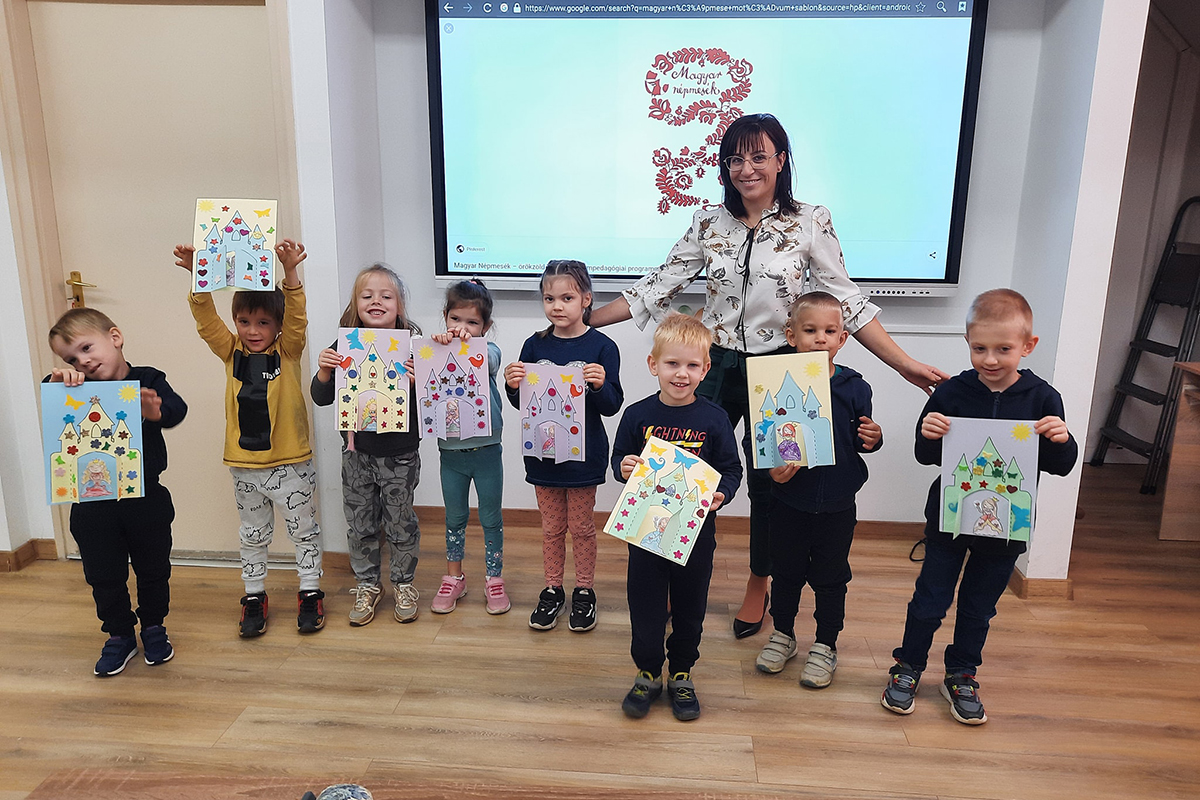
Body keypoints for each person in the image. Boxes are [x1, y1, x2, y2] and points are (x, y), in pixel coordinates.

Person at [590, 113, 948, 638]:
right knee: (683, 466)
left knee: (771, 482)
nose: (747, 169)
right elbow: (658, 285)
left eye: (759, 157)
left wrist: (905, 364)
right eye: (735, 159)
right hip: (712, 362)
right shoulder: (708, 222)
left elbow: (846, 299)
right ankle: (669, 568)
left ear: (781, 161)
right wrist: (584, 321)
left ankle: (760, 578)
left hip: (781, 366)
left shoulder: (810, 221)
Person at [880, 288, 1078, 725]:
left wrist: (1062, 440)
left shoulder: (1043, 398)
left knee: (979, 607)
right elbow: (926, 456)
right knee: (929, 600)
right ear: (967, 342)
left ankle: (962, 674)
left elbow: (1060, 466)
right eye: (979, 348)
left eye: (1003, 349)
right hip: (948, 521)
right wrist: (928, 432)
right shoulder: (951, 392)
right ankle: (908, 665)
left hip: (1005, 528)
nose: (990, 359)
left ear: (1028, 346)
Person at [174, 239, 325, 637]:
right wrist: (197, 274)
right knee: (253, 534)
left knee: (304, 530)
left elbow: (297, 317)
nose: (252, 331)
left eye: (263, 323)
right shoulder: (231, 351)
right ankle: (254, 596)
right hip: (244, 466)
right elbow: (206, 321)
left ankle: (310, 591)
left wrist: (290, 272)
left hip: (290, 463)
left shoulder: (288, 351)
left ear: (277, 325)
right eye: (244, 322)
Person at [610, 314, 742, 721]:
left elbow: (731, 470)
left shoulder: (715, 419)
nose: (681, 374)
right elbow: (619, 460)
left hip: (695, 535)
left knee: (690, 606)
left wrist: (723, 493)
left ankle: (682, 672)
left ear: (705, 369)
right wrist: (625, 467)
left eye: (691, 365)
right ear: (654, 365)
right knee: (645, 605)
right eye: (672, 364)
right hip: (645, 533)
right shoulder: (637, 415)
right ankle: (648, 672)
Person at [46, 308, 188, 676]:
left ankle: (153, 626)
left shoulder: (148, 379)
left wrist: (156, 412)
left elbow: (176, 409)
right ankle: (120, 634)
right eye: (71, 358)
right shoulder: (74, 388)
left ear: (115, 337)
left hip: (146, 499)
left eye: (86, 348)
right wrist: (58, 381)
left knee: (153, 569)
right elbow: (53, 397)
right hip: (92, 506)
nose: (82, 361)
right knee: (103, 574)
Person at [754, 292, 882, 688]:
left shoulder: (854, 387)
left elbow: (861, 438)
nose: (820, 338)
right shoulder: (771, 382)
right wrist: (772, 473)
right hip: (789, 500)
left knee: (831, 577)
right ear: (791, 336)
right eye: (810, 330)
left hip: (837, 503)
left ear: (842, 338)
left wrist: (874, 439)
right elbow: (761, 440)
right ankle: (783, 634)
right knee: (786, 572)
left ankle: (826, 644)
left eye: (830, 331)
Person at [504, 260, 623, 632]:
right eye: (549, 298)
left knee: (582, 527)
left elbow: (612, 405)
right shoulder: (534, 344)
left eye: (567, 298)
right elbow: (523, 404)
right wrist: (512, 385)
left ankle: (584, 590)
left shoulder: (603, 346)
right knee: (551, 528)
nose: (557, 306)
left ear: (586, 299)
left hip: (584, 458)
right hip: (543, 456)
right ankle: (553, 588)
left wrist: (600, 385)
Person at [311, 264, 423, 626]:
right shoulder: (345, 345)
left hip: (400, 455)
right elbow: (321, 397)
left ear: (400, 306)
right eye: (367, 295)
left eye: (386, 296)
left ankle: (404, 584)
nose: (376, 301)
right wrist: (325, 371)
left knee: (400, 521)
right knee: (360, 523)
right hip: (357, 455)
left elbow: (433, 403)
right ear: (355, 304)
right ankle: (367, 584)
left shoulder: (413, 349)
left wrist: (417, 382)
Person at [426, 279, 510, 615]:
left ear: (485, 327)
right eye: (455, 319)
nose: (462, 327)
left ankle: (494, 578)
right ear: (445, 317)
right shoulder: (434, 350)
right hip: (451, 453)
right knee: (455, 517)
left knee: (490, 517)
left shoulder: (490, 351)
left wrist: (466, 343)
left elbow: (489, 360)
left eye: (472, 322)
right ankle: (454, 577)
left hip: (487, 449)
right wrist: (438, 347)